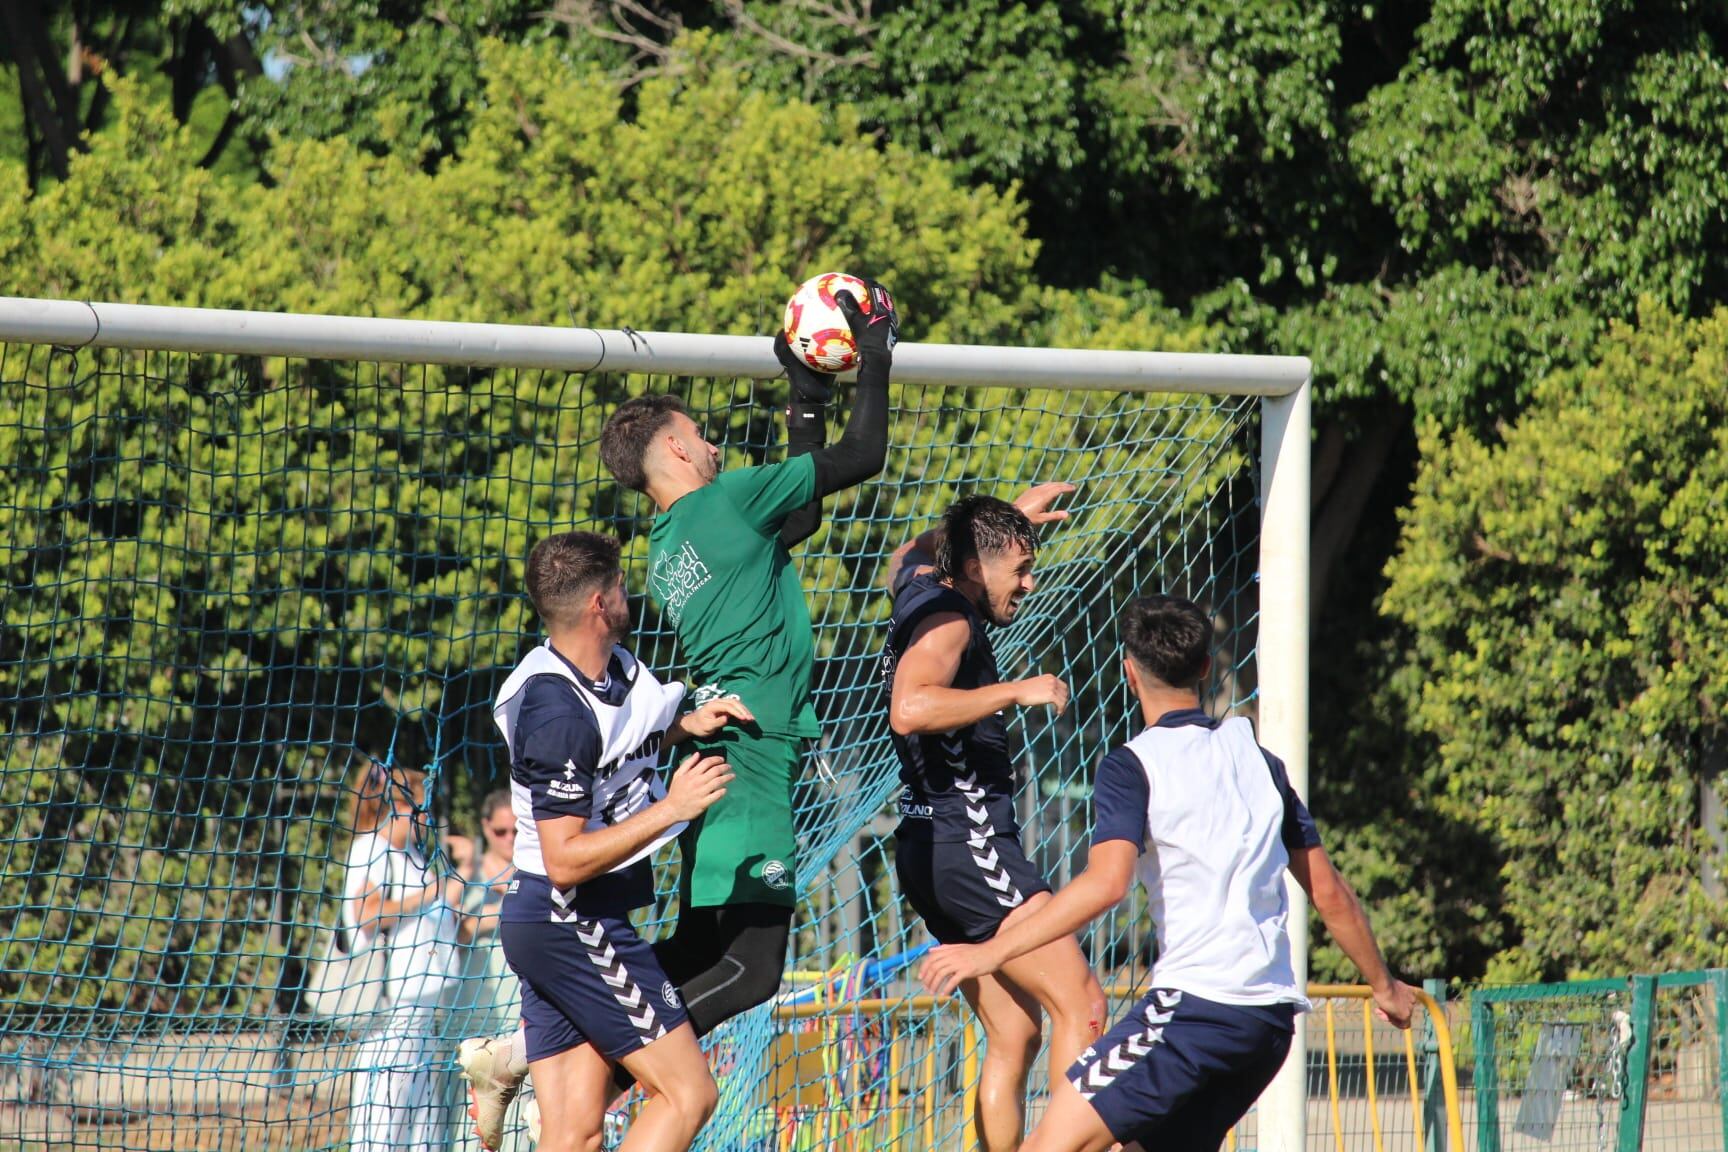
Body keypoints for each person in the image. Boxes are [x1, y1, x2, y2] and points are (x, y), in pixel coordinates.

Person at [459, 280, 897, 1149]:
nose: (712, 442)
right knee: (751, 967)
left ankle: (545, 1061)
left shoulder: (672, 545)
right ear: (673, 451)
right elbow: (866, 453)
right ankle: (541, 1056)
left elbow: (798, 514)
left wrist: (807, 393)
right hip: (753, 753)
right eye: (698, 434)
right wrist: (875, 349)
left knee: (705, 952)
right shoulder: (725, 504)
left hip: (729, 746)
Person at [920, 595, 1418, 1152]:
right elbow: (1328, 891)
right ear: (1206, 667)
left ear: (1129, 673)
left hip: (1195, 1012)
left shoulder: (1134, 764)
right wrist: (1385, 985)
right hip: (1269, 1026)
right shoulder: (1259, 759)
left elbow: (1107, 883)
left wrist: (991, 952)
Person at [485, 529, 756, 1152]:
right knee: (690, 1095)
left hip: (554, 923)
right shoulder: (556, 713)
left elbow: (614, 753)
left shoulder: (606, 673)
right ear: (598, 605)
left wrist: (683, 728)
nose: (628, 591)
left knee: (575, 1135)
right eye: (620, 584)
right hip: (571, 919)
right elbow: (564, 860)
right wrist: (673, 808)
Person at [882, 487, 1108, 1152]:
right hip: (971, 840)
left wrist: (1002, 517)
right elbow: (911, 707)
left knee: (1016, 1033)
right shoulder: (952, 619)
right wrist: (1017, 689)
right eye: (1020, 570)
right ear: (977, 570)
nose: (1030, 584)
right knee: (1084, 1005)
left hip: (928, 847)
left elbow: (907, 551)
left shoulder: (919, 585)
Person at [344, 761, 464, 1152]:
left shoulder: (412, 853)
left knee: (423, 1129)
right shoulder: (372, 849)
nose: (427, 816)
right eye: (421, 806)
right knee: (385, 1126)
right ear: (398, 807)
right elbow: (365, 914)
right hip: (392, 1011)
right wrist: (426, 897)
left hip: (424, 1010)